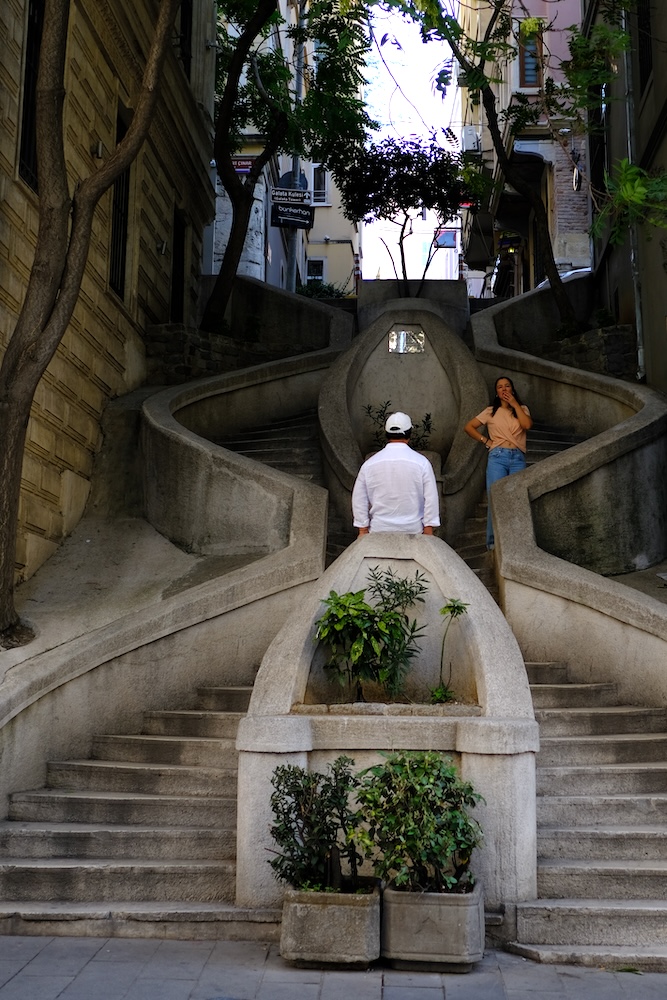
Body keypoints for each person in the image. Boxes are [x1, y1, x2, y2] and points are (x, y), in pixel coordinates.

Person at [464, 376, 532, 550]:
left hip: (517, 458)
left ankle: (517, 541)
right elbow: (469, 427)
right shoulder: (490, 411)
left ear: (512, 389)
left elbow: (527, 425)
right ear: (496, 392)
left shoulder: (522, 409)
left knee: (516, 499)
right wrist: (485, 441)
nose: (504, 389)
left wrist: (515, 404)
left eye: (507, 386)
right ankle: (493, 543)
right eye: (500, 387)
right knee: (495, 498)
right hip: (498, 457)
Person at [352, 411, 440, 536]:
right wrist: (429, 527)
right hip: (413, 531)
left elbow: (359, 499)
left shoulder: (369, 464)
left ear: (387, 434)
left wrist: (362, 529)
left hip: (378, 530)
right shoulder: (422, 463)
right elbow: (431, 498)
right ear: (409, 434)